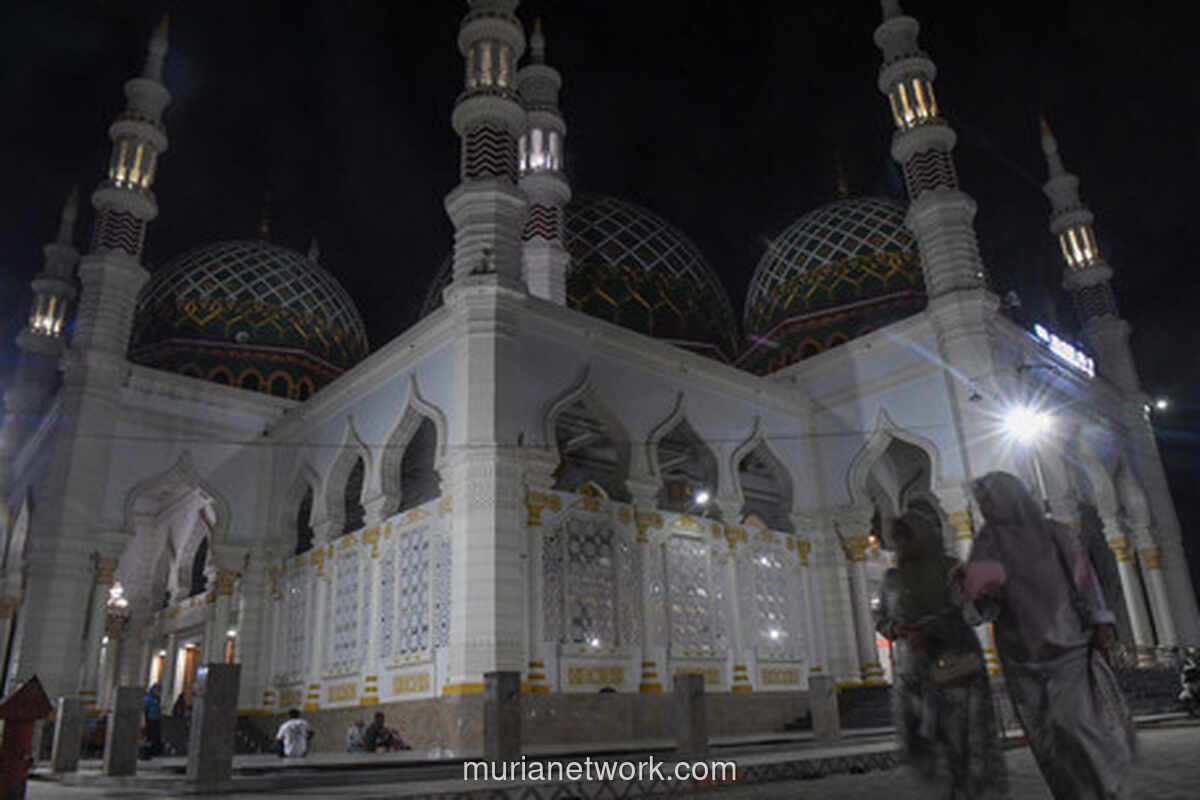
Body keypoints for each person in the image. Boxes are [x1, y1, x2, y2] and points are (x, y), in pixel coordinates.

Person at [952, 471, 1136, 800]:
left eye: (989, 501)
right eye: (982, 504)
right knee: (1045, 736)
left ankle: (1108, 790)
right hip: (1020, 655)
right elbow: (979, 603)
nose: (986, 509)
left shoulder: (1054, 534)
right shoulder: (989, 541)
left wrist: (1101, 623)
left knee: (1078, 726)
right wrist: (970, 588)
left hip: (1068, 647)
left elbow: (1085, 581)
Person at [873, 509, 1008, 799]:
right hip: (913, 671)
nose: (901, 546)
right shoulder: (892, 578)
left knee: (961, 741)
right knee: (922, 742)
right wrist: (896, 628)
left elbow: (969, 612)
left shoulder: (951, 570)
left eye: (906, 538)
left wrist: (931, 630)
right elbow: (880, 616)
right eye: (897, 539)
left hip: (954, 668)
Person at [141, 683, 163, 759]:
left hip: (156, 719)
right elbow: (144, 710)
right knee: (147, 737)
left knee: (154, 737)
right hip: (149, 720)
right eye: (157, 690)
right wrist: (143, 721)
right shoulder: (147, 699)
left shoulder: (157, 699)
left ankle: (153, 752)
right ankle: (145, 753)